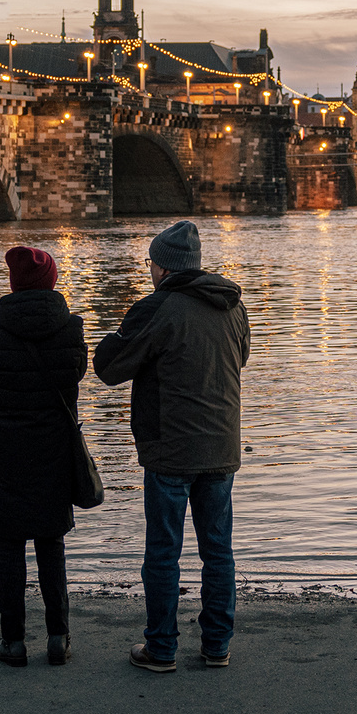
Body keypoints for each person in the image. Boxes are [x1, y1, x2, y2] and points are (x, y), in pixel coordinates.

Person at [94, 220, 250, 673]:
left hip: (170, 448)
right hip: (221, 445)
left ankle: (161, 649)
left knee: (164, 551)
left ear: (162, 267)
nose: (149, 271)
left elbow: (110, 367)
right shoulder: (233, 306)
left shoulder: (157, 308)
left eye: (151, 263)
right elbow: (240, 358)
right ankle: (217, 646)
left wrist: (112, 334)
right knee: (217, 550)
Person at [0, 246, 87, 668]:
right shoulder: (72, 329)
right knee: (51, 542)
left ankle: (13, 641)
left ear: (14, 284)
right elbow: (75, 377)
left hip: (6, 452)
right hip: (53, 450)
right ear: (52, 281)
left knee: (9, 544)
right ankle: (58, 637)